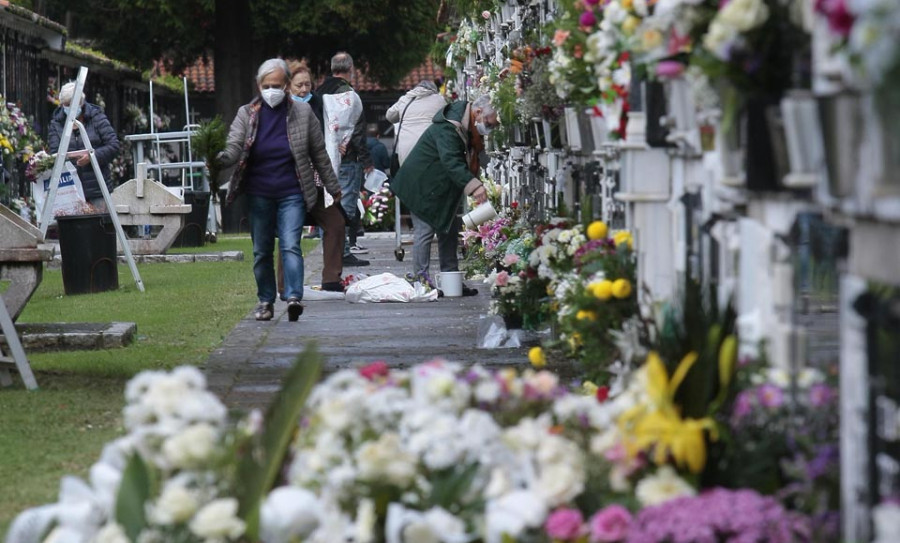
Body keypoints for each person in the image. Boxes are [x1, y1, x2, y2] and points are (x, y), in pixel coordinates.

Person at [220, 58, 342, 321]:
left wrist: (333, 186)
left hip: (292, 192)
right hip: (259, 193)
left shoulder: (303, 113)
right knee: (262, 250)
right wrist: (217, 157)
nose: (272, 90)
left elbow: (319, 153)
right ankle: (265, 300)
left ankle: (294, 297)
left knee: (290, 245)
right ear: (259, 85)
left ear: (287, 85)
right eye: (267, 85)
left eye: (277, 84)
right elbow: (233, 147)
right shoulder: (247, 113)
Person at [389, 95, 495, 296]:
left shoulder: (464, 125)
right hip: (420, 184)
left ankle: (450, 278)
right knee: (425, 230)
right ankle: (421, 281)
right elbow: (451, 161)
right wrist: (475, 186)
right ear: (478, 112)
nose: (489, 128)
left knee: (449, 228)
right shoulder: (449, 127)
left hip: (437, 185)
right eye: (489, 122)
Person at [284, 61, 345, 292]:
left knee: (336, 223)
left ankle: (331, 278)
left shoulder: (319, 106)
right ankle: (285, 286)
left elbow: (322, 150)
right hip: (291, 184)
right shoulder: (281, 110)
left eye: (307, 85)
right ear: (288, 86)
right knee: (289, 236)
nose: (303, 90)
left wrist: (333, 185)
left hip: (316, 183)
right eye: (299, 85)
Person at [315, 51, 373, 267]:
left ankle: (330, 250)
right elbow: (356, 131)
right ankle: (343, 251)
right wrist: (366, 161)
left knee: (327, 204)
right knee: (345, 206)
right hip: (347, 159)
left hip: (323, 158)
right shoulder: (349, 95)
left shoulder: (319, 92)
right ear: (351, 70)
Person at [48, 81, 120, 211]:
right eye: (65, 105)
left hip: (97, 189)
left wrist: (92, 156)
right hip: (70, 190)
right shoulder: (57, 123)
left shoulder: (97, 118)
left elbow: (113, 145)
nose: (67, 108)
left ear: (80, 103)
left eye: (70, 105)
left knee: (100, 227)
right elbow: (54, 152)